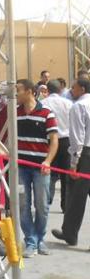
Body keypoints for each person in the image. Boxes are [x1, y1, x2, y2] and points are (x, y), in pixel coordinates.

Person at [0, 79, 58, 258]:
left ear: (30, 91)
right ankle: (31, 240)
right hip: (20, 168)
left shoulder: (46, 113)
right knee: (22, 205)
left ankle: (40, 239)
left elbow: (54, 141)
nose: (15, 93)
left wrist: (48, 161)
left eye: (19, 90)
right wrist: (2, 151)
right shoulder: (14, 114)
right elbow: (8, 138)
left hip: (40, 168)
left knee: (42, 205)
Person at [52, 77, 90, 247]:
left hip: (85, 155)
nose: (71, 90)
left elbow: (77, 137)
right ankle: (69, 232)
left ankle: (70, 233)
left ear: (82, 89)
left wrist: (74, 163)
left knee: (75, 197)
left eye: (73, 87)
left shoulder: (79, 106)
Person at [44, 79, 72, 211]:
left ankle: (47, 199)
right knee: (65, 174)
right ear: (60, 89)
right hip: (65, 140)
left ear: (47, 90)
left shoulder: (43, 104)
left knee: (48, 172)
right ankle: (65, 204)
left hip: (49, 140)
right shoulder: (68, 103)